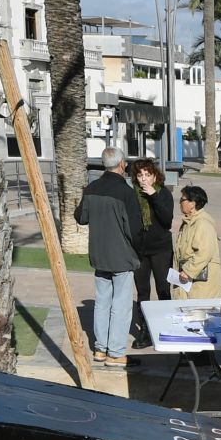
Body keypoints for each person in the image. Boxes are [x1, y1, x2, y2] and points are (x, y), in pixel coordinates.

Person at [75, 150, 143, 368]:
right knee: (121, 305)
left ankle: (100, 349)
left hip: (98, 254)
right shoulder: (126, 192)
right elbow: (133, 229)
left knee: (102, 302)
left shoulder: (91, 188)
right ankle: (115, 352)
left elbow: (81, 218)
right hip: (121, 255)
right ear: (122, 164)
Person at [129, 159, 176, 347]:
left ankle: (166, 327)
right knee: (142, 292)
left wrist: (154, 196)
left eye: (147, 174)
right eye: (140, 175)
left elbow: (167, 221)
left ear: (155, 175)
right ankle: (146, 332)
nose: (144, 179)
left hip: (161, 249)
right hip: (139, 250)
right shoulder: (132, 195)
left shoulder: (163, 193)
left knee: (163, 289)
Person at [170, 185, 221, 300]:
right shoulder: (188, 222)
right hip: (187, 281)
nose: (180, 203)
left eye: (182, 200)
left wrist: (188, 271)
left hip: (201, 285)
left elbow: (204, 253)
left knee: (198, 314)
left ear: (192, 204)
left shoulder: (203, 224)